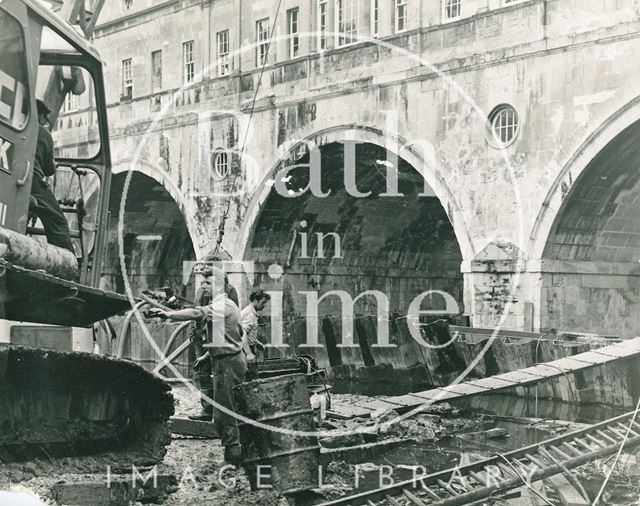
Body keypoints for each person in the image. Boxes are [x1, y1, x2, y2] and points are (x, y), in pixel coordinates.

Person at [150, 267, 247, 465]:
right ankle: (237, 449)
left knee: (225, 411)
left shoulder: (223, 306)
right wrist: (206, 356)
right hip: (225, 360)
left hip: (228, 363)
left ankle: (235, 455)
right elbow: (225, 336)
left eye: (208, 283)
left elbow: (197, 313)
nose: (204, 285)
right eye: (204, 282)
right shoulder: (225, 304)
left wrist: (168, 315)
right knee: (223, 411)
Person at [30, 100, 74, 253]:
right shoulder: (43, 133)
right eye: (45, 119)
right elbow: (49, 170)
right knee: (58, 221)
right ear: (40, 116)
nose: (46, 122)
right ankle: (68, 263)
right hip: (33, 182)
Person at [241, 289, 270, 380]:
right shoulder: (249, 314)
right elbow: (242, 334)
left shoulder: (251, 312)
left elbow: (249, 333)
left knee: (252, 376)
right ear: (255, 300)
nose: (264, 305)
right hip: (244, 350)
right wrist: (249, 353)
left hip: (247, 347)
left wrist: (257, 343)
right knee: (252, 378)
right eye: (263, 302)